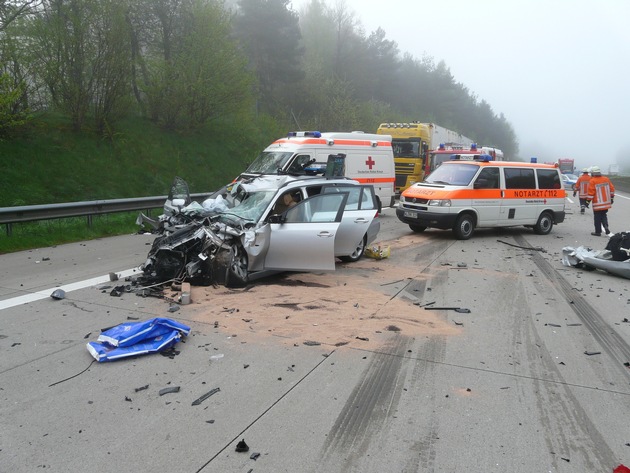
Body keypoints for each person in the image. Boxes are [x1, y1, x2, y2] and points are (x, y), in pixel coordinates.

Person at [586, 166, 615, 236]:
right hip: (606, 203)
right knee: (604, 215)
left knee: (597, 218)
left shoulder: (592, 181)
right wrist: (611, 198)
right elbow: (612, 189)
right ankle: (606, 226)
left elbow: (591, 193)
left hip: (597, 204)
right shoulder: (606, 179)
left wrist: (587, 202)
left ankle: (598, 232)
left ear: (593, 173)